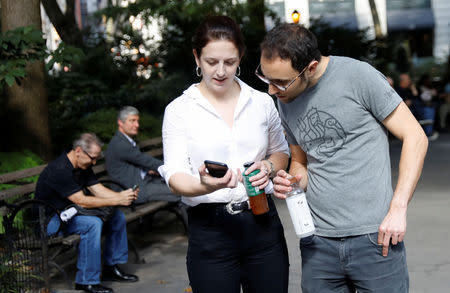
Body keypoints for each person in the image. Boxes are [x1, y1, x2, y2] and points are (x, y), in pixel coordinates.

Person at [258, 24, 428, 292]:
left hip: (375, 236)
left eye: (280, 82)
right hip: (318, 241)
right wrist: (293, 181)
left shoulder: (358, 76)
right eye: (265, 78)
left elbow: (415, 137)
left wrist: (398, 208)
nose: (271, 90)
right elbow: (301, 162)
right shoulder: (285, 98)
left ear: (311, 68)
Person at [157, 16, 290, 293]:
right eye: (211, 62)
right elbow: (175, 176)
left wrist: (267, 165)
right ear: (197, 57)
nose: (220, 71)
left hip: (262, 222)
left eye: (229, 62)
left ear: (240, 56)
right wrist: (203, 184)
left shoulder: (262, 103)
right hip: (210, 230)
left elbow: (280, 152)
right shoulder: (180, 110)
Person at [35, 133, 139, 293]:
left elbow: (97, 189)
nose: (94, 162)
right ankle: (86, 281)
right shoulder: (60, 170)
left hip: (70, 214)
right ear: (78, 151)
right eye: (92, 158)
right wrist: (117, 200)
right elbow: (81, 200)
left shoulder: (83, 166)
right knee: (92, 224)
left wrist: (124, 195)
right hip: (49, 221)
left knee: (116, 216)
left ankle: (111, 268)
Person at [105, 106, 182, 205]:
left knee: (177, 186)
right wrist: (173, 168)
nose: (137, 125)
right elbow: (146, 161)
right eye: (132, 121)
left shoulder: (125, 140)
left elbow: (137, 162)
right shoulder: (120, 144)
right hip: (133, 190)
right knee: (181, 191)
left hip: (142, 180)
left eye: (137, 121)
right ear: (120, 122)